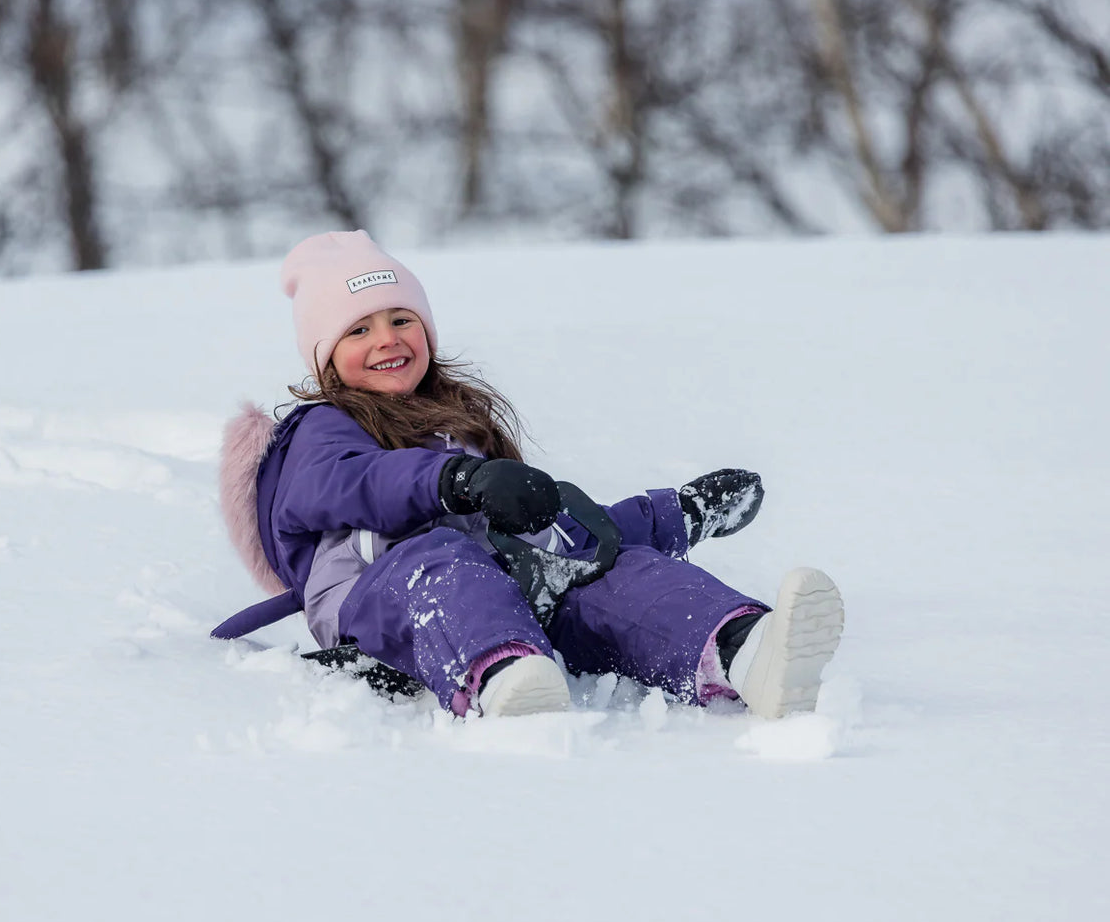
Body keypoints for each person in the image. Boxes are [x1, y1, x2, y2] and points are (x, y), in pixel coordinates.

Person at [216, 230, 844, 718]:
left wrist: (677, 513)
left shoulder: (459, 426)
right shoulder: (323, 430)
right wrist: (454, 482)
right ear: (325, 357)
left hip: (503, 592)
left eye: (401, 319)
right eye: (359, 328)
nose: (387, 338)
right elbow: (351, 483)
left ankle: (742, 651)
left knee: (607, 573)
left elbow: (556, 531)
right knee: (441, 559)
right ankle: (503, 678)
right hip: (379, 607)